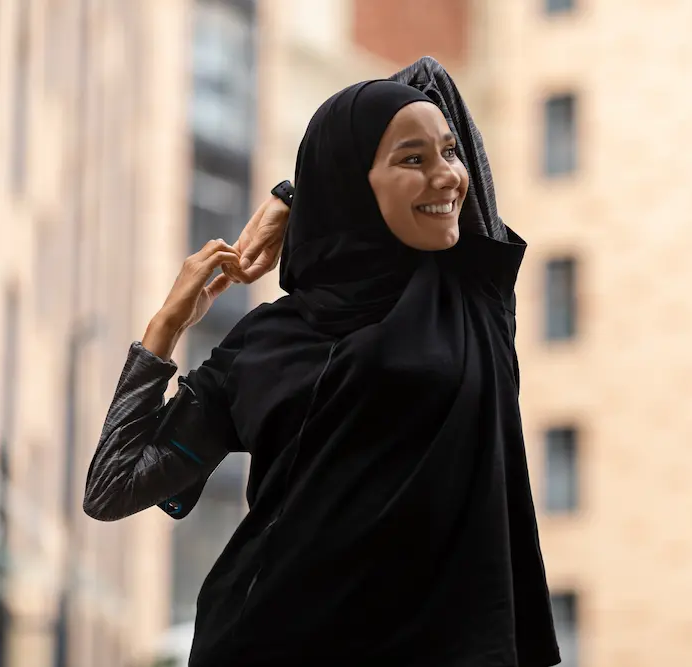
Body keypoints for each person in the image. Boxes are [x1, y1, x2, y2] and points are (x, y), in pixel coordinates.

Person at [83, 57, 561, 667]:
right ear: (353, 182)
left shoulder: (471, 291)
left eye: (448, 152)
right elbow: (113, 487)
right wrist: (165, 327)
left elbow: (429, 76)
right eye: (413, 160)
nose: (447, 177)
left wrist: (290, 193)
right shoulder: (265, 344)